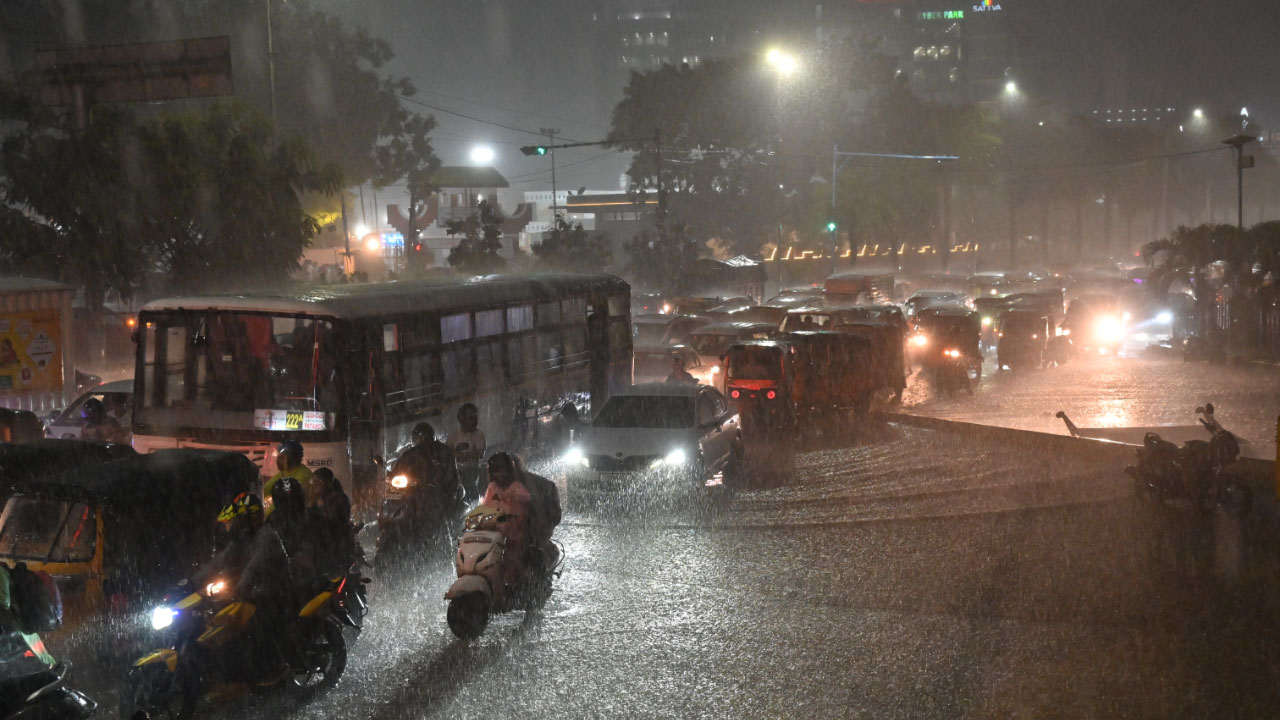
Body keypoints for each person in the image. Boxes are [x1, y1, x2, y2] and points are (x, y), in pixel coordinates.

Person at [194, 493, 293, 680]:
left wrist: (239, 589)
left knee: (251, 629)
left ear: (253, 517)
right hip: (255, 592)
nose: (236, 524)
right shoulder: (244, 538)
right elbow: (219, 562)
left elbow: (254, 567)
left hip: (275, 593)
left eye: (241, 519)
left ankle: (273, 668)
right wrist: (192, 582)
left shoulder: (266, 537)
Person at [482, 453, 561, 586]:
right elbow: (487, 507)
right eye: (496, 471)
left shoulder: (526, 488)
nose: (500, 476)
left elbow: (539, 513)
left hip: (529, 528)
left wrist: (536, 533)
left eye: (503, 471)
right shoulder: (494, 486)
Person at [307, 467, 356, 575]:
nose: (314, 485)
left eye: (317, 482)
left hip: (337, 548)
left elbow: (332, 521)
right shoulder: (315, 500)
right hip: (321, 549)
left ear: (326, 483)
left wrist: (319, 502)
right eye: (312, 481)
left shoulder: (339, 499)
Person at [447, 404, 486, 500]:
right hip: (458, 473)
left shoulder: (479, 434)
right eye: (470, 417)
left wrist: (460, 455)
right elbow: (447, 455)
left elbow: (480, 454)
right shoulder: (454, 436)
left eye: (475, 417)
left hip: (474, 470)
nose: (475, 421)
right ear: (462, 419)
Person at [264, 440, 312, 512]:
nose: (278, 460)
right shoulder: (285, 472)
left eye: (282, 457)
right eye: (279, 457)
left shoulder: (303, 475)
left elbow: (284, 501)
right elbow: (266, 488)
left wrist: (267, 515)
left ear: (293, 459)